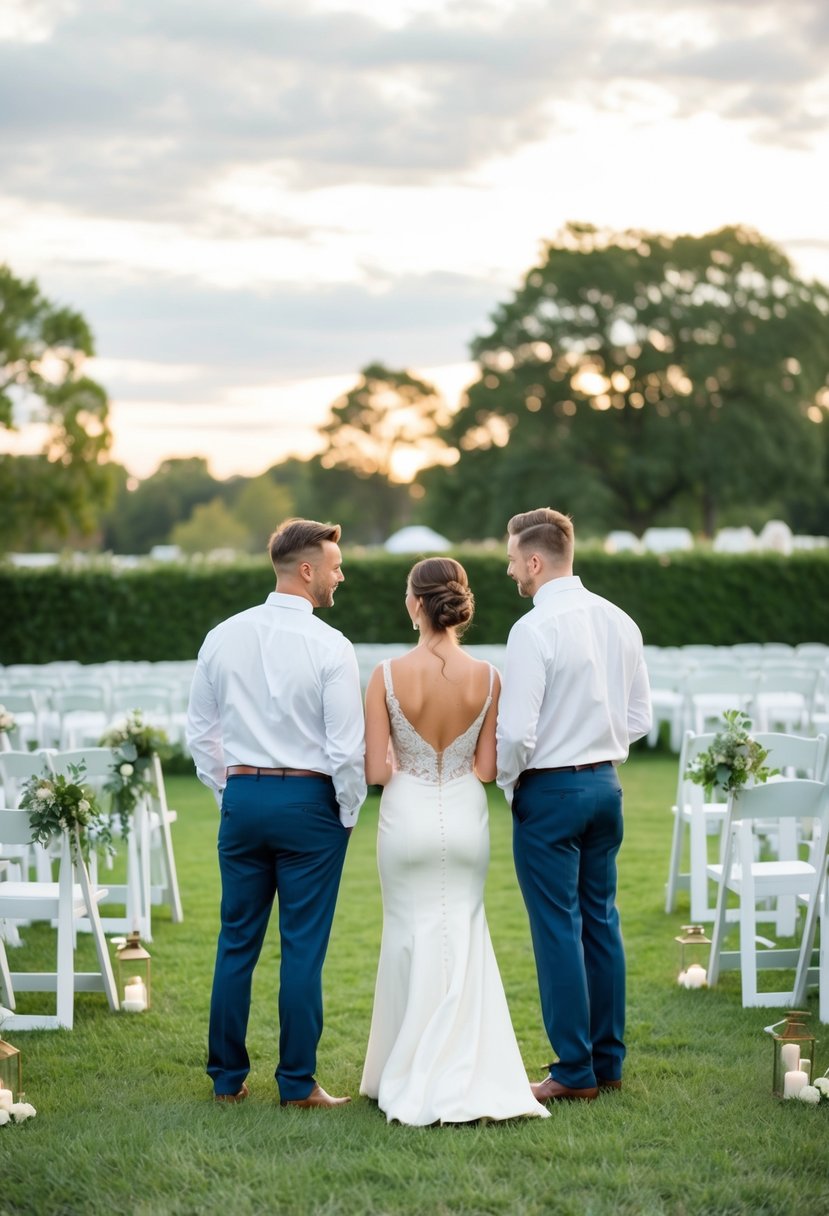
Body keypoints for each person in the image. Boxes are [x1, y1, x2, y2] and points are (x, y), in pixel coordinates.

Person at [359, 557, 549, 1125]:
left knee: (407, 934)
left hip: (406, 815)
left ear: (417, 603)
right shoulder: (489, 677)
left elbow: (375, 770)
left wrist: (402, 761)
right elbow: (488, 768)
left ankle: (402, 1066)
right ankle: (467, 1066)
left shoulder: (386, 675)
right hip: (465, 815)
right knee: (463, 932)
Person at [186, 518, 366, 1108]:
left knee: (237, 940)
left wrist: (228, 795)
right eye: (335, 566)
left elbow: (201, 735)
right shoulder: (332, 646)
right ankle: (296, 1084)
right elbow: (345, 749)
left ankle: (226, 1079)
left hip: (244, 800)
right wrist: (346, 811)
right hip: (309, 804)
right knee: (303, 947)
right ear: (307, 570)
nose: (341, 575)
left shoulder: (221, 635)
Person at [496, 508, 651, 1103]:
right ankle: (607, 1062)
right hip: (604, 788)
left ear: (535, 560)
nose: (511, 571)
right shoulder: (621, 620)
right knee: (601, 922)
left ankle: (572, 1070)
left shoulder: (534, 629)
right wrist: (598, 754)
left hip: (550, 791)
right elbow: (639, 719)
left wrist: (512, 785)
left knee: (557, 928)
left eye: (513, 559)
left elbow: (514, 735)